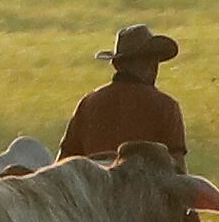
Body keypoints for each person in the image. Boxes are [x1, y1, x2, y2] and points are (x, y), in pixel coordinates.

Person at [61, 24, 187, 161]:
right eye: (152, 61)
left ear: (117, 65)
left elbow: (65, 162)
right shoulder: (166, 106)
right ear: (149, 63)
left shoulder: (88, 104)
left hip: (96, 182)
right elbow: (177, 168)